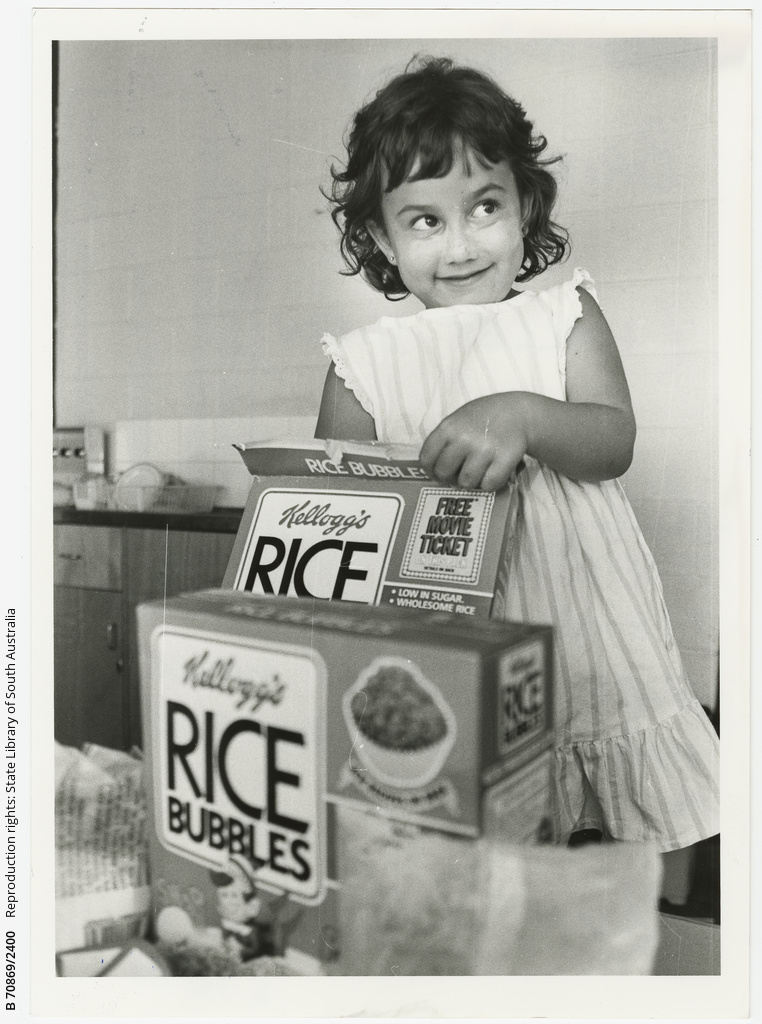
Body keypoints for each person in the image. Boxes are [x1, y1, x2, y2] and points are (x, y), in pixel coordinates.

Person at [315, 55, 719, 853]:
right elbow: (337, 520)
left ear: (526, 205)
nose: (461, 244)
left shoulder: (563, 316)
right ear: (380, 238)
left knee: (581, 861)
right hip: (443, 647)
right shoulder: (359, 362)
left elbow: (614, 442)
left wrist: (527, 417)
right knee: (469, 865)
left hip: (580, 635)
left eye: (485, 206)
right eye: (425, 219)